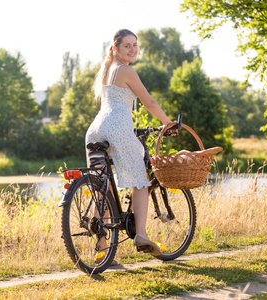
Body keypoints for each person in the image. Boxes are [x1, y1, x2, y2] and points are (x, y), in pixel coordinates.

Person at [86, 29, 176, 261]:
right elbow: (149, 101)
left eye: (135, 45)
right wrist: (168, 123)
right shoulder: (125, 69)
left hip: (96, 130)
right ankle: (142, 235)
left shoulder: (106, 69)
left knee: (101, 188)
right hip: (117, 127)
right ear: (115, 48)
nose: (133, 49)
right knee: (141, 181)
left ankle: (103, 253)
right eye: (127, 45)